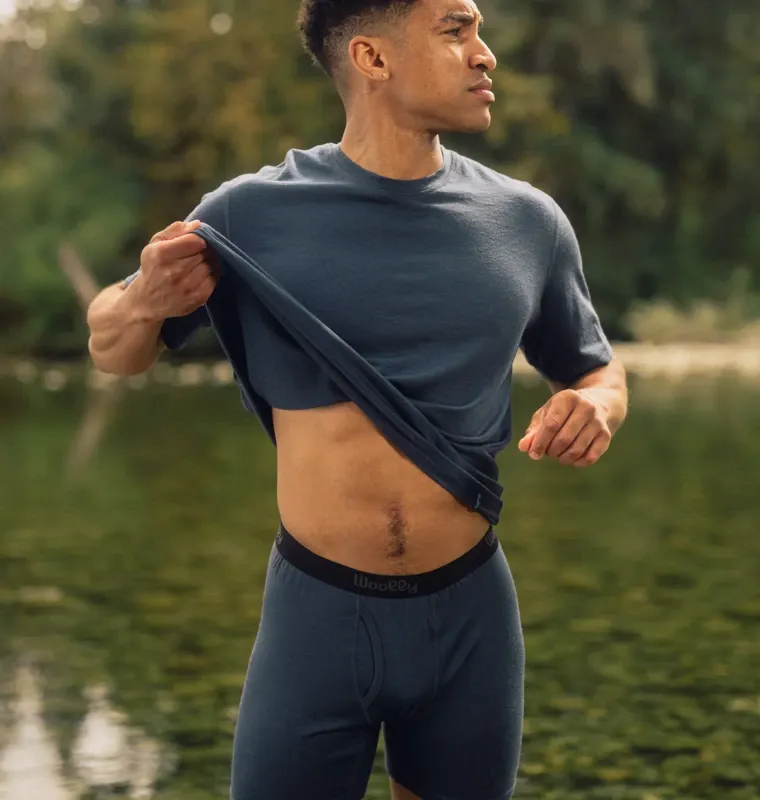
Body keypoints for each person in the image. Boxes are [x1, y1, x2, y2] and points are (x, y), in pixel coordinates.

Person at [86, 0, 629, 797]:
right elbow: (112, 350)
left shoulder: (526, 222)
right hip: (317, 619)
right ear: (372, 59)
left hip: (470, 616)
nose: (486, 55)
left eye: (479, 31)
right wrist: (143, 304)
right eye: (456, 29)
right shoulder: (249, 214)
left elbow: (597, 369)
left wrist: (599, 407)